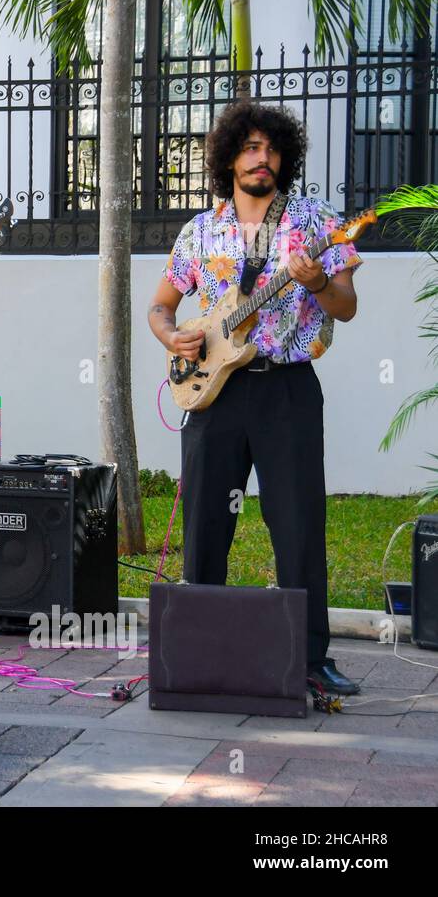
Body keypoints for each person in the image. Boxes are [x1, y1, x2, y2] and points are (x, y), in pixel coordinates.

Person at [147, 100, 362, 695]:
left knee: (297, 521)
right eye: (249, 147)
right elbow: (161, 305)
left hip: (286, 388)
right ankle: (200, 651)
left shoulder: (316, 221)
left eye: (270, 148)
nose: (260, 157)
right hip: (213, 392)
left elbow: (345, 305)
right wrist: (175, 336)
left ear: (284, 158)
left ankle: (312, 659)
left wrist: (318, 282)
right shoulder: (201, 229)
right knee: (206, 523)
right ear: (228, 157)